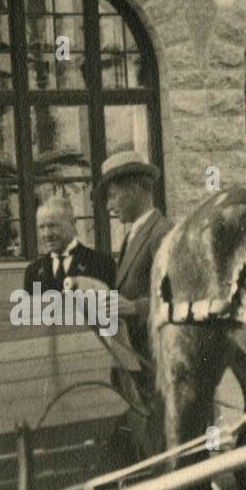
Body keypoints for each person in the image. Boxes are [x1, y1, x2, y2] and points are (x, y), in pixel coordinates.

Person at [96, 151, 171, 372]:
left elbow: (176, 293)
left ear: (135, 191)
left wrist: (135, 307)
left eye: (113, 195)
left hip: (155, 358)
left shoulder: (162, 232)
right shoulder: (133, 234)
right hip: (135, 353)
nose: (109, 206)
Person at [23, 197, 116, 293]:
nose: (47, 234)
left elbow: (111, 305)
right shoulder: (33, 271)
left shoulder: (101, 264)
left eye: (52, 226)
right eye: (41, 227)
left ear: (73, 223)